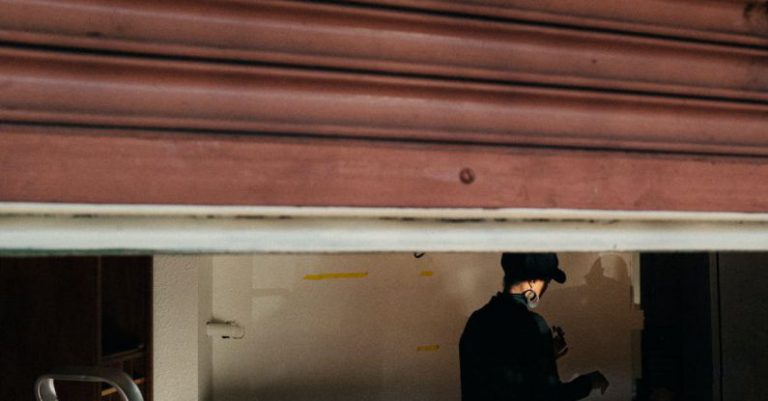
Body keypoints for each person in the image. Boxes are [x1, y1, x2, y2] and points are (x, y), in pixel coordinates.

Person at [459, 253, 609, 401]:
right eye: (546, 282)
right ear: (531, 281)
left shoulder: (476, 321)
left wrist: (544, 355)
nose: (545, 289)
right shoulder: (533, 325)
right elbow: (551, 396)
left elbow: (497, 377)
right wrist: (589, 382)